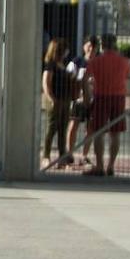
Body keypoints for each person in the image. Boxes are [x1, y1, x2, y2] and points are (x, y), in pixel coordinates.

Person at [84, 33, 130, 177]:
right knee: (115, 133)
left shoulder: (95, 61)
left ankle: (99, 165)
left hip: (101, 97)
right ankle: (111, 165)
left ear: (102, 45)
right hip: (118, 98)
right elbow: (129, 87)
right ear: (115, 44)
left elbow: (84, 80)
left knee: (98, 133)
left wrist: (87, 97)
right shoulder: (126, 62)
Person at [65, 35, 99, 166]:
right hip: (78, 100)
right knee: (73, 126)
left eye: (94, 46)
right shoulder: (77, 61)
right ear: (84, 46)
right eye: (89, 45)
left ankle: (84, 155)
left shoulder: (98, 63)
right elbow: (68, 76)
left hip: (94, 100)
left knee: (90, 128)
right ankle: (69, 153)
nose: (91, 48)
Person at [41, 38, 74, 167]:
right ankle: (46, 155)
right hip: (54, 99)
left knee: (63, 128)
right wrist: (51, 98)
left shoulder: (63, 64)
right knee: (51, 127)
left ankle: (62, 157)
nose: (67, 52)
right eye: (65, 49)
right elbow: (46, 82)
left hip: (65, 99)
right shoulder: (50, 64)